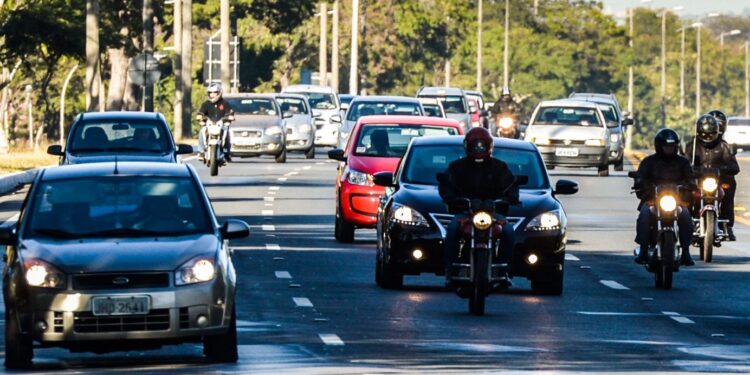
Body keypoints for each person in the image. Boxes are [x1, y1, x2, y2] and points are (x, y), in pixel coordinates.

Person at [439, 127, 518, 288]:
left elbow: (510, 186)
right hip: (465, 213)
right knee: (453, 229)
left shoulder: (500, 167)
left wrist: (504, 200)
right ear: (467, 145)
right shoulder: (456, 167)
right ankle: (450, 270)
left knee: (508, 231)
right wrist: (457, 200)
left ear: (490, 146)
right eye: (475, 145)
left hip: (493, 215)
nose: (479, 148)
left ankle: (505, 271)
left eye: (482, 145)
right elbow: (446, 186)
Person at [634, 128, 696, 266]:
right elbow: (641, 176)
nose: (669, 149)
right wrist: (641, 183)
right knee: (644, 214)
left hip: (676, 200)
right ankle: (643, 250)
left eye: (672, 146)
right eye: (666, 146)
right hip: (653, 199)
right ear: (659, 146)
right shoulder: (649, 162)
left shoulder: (683, 162)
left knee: (686, 215)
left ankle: (686, 251)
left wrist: (690, 185)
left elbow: (690, 178)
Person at [685, 113, 740, 241]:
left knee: (729, 188)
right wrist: (692, 170)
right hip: (697, 181)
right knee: (685, 192)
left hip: (718, 181)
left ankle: (727, 224)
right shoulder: (692, 146)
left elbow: (734, 167)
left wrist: (721, 170)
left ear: (717, 131)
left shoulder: (723, 146)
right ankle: (686, 222)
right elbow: (684, 163)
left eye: (711, 133)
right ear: (699, 132)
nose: (708, 136)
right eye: (704, 134)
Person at [196, 83, 234, 161]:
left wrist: (230, 117)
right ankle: (201, 151)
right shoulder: (206, 104)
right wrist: (199, 116)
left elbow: (230, 112)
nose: (212, 95)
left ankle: (226, 152)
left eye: (215, 92)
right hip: (209, 124)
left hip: (221, 124)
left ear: (219, 92)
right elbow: (200, 113)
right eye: (210, 93)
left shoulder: (225, 103)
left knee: (226, 131)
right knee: (202, 131)